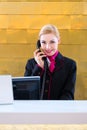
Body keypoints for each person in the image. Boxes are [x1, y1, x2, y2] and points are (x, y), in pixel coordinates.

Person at [24, 24, 77, 100]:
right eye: (43, 42)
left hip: (59, 110)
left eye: (52, 42)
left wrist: (56, 109)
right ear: (39, 43)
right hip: (36, 110)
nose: (48, 47)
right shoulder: (31, 64)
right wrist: (39, 67)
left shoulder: (70, 65)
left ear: (58, 41)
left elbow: (68, 94)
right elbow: (26, 92)